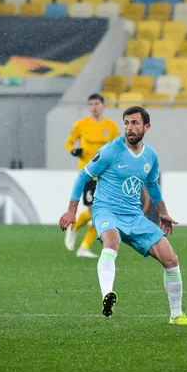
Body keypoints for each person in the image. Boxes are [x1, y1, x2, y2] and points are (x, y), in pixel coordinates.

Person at [59, 106, 187, 326]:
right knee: (112, 241)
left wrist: (163, 213)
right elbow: (83, 176)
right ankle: (107, 294)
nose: (129, 128)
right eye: (126, 123)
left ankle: (176, 315)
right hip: (106, 210)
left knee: (171, 258)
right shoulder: (110, 151)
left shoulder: (150, 156)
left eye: (134, 123)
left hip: (133, 215)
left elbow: (152, 184)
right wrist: (71, 210)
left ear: (147, 126)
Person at [64, 93, 120, 258]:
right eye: (91, 104)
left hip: (106, 176)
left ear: (103, 106)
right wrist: (73, 150)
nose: (94, 107)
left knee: (102, 213)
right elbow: (69, 142)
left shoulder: (111, 126)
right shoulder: (81, 124)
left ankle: (84, 247)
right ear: (89, 107)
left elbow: (116, 147)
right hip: (88, 174)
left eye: (97, 103)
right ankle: (73, 228)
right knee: (95, 211)